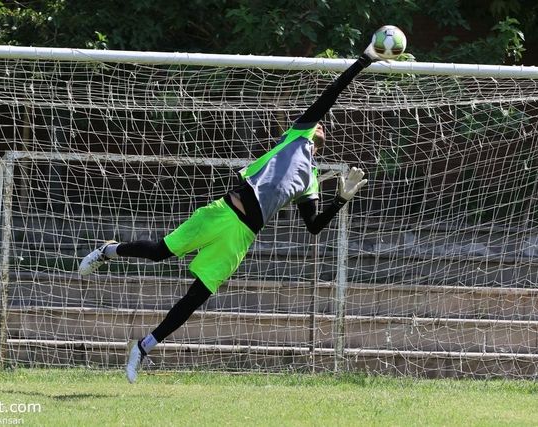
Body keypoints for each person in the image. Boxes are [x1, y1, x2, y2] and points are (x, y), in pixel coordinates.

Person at [78, 46, 378, 383]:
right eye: (318, 122)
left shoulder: (310, 181)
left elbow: (314, 227)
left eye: (324, 126)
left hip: (241, 236)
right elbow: (331, 93)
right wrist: (364, 61)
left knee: (198, 295)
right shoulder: (297, 135)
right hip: (222, 213)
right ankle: (108, 250)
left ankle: (144, 346)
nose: (321, 124)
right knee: (161, 252)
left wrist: (339, 199)